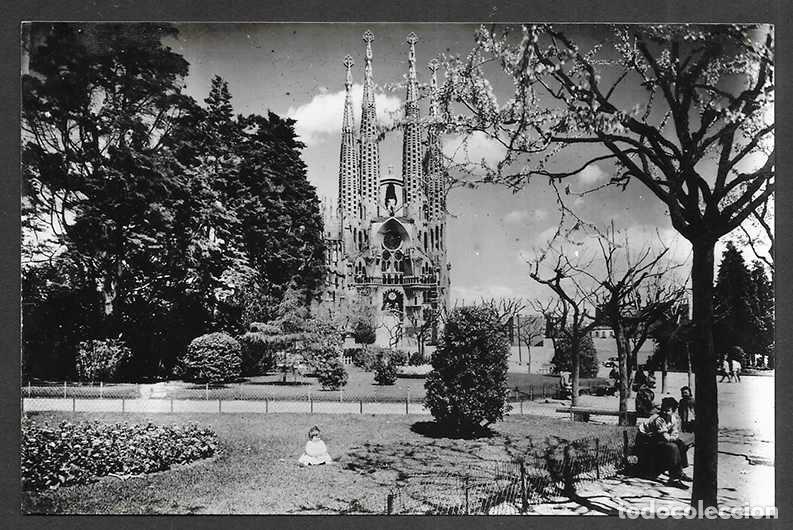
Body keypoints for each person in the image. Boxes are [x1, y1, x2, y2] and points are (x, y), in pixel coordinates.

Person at [635, 397, 692, 488]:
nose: (665, 412)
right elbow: (665, 436)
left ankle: (680, 471)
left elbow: (675, 432)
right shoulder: (658, 419)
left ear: (673, 411)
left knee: (681, 444)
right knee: (673, 447)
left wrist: (673, 437)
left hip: (657, 438)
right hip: (645, 441)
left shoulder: (673, 418)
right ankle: (674, 478)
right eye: (663, 410)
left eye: (668, 410)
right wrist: (672, 438)